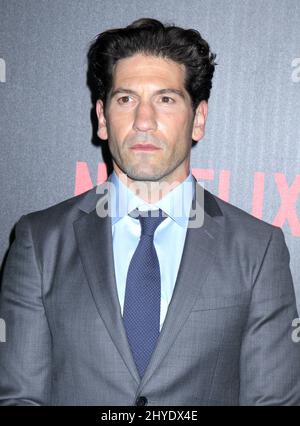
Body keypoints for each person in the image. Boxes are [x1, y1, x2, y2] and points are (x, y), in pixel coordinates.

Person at [0, 18, 299, 406]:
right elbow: (20, 399)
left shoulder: (257, 249)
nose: (144, 121)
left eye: (166, 99)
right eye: (126, 99)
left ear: (199, 119)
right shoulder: (39, 242)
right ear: (103, 118)